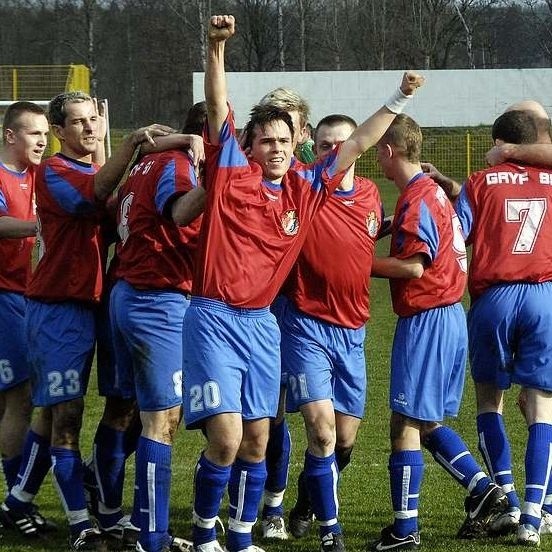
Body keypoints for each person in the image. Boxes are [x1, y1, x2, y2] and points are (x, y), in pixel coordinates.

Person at [184, 14, 423, 552]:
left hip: (263, 325)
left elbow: (360, 142)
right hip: (214, 318)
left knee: (258, 439)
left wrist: (399, 97)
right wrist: (216, 48)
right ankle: (203, 535)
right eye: (265, 140)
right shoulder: (230, 174)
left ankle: (242, 535)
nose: (275, 148)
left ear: (299, 144)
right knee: (224, 439)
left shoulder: (307, 186)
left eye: (283, 140)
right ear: (251, 143)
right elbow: (218, 105)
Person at [0, 90, 174, 551]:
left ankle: (20, 499)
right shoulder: (55, 171)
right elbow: (95, 197)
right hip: (58, 308)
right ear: (59, 132)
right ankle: (81, 525)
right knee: (67, 414)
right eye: (76, 122)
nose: (88, 128)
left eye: (92, 120)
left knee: (81, 408)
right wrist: (131, 142)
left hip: (102, 304)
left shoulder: (96, 169)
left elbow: (116, 202)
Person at [370, 114, 507, 551]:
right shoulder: (429, 192)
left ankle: (405, 532)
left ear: (389, 151)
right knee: (425, 420)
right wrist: (379, 226)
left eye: (378, 149)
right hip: (448, 316)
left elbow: (414, 265)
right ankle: (481, 489)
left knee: (406, 423)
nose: (375, 156)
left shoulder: (418, 199)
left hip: (428, 317)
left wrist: (354, 263)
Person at [83, 102, 207, 552]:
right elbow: (177, 211)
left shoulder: (144, 165)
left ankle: (110, 515)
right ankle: (148, 532)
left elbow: (117, 212)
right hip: (157, 298)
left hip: (125, 290)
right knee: (163, 420)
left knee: (122, 410)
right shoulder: (177, 166)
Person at [278, 113, 383, 552]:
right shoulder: (305, 190)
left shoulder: (372, 195)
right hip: (305, 326)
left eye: (342, 144)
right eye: (324, 146)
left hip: (353, 331)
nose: (335, 152)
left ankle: (305, 503)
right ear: (313, 151)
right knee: (320, 432)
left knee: (343, 441)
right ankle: (331, 533)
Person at [455, 109, 552, 546]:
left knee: (488, 402)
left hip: (493, 299)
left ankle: (509, 501)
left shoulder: (479, 182)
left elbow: (457, 235)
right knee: (540, 409)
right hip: (542, 296)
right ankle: (535, 515)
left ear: (497, 142)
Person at [0, 101, 58, 535]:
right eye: (34, 133)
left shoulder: (39, 174)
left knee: (23, 398)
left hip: (30, 296)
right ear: (10, 136)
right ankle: (17, 501)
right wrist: (44, 225)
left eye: (44, 133)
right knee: (19, 399)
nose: (43, 140)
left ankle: (18, 499)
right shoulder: (1, 176)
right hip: (4, 298)